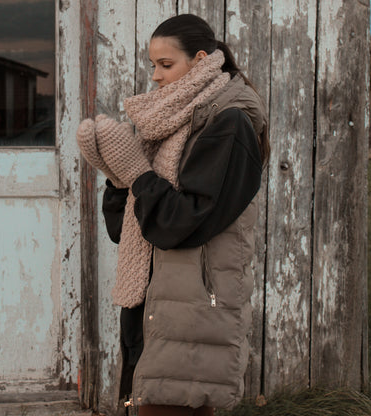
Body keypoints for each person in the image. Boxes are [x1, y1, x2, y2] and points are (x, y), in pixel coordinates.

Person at [76, 13, 269, 416]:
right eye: (153, 65)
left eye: (166, 65)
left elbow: (181, 222)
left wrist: (138, 174)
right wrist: (118, 180)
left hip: (193, 311)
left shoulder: (229, 123)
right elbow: (128, 230)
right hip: (155, 306)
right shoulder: (166, 124)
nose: (156, 76)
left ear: (200, 60)